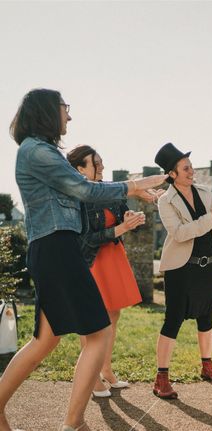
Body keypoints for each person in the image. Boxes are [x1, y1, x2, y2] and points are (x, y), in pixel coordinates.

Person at [0, 88, 166, 431]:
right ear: (48, 111)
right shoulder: (36, 151)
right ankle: (73, 424)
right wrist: (135, 186)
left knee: (45, 340)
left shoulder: (41, 151)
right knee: (100, 333)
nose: (69, 117)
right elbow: (83, 189)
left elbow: (84, 191)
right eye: (65, 109)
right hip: (57, 248)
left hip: (54, 249)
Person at [153, 143, 212, 399]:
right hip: (180, 269)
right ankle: (161, 378)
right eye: (185, 168)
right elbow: (179, 234)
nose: (192, 171)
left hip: (210, 266)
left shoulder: (205, 191)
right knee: (173, 319)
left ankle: (207, 365)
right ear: (172, 174)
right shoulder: (166, 201)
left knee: (207, 318)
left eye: (191, 166)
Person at [67, 145, 146, 398]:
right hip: (92, 261)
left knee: (113, 315)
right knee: (92, 322)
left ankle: (107, 371)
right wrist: (122, 229)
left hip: (113, 256)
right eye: (96, 164)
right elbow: (87, 238)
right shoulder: (77, 197)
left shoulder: (109, 190)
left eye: (102, 162)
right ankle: (91, 378)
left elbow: (121, 213)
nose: (101, 167)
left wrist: (130, 217)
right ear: (80, 169)